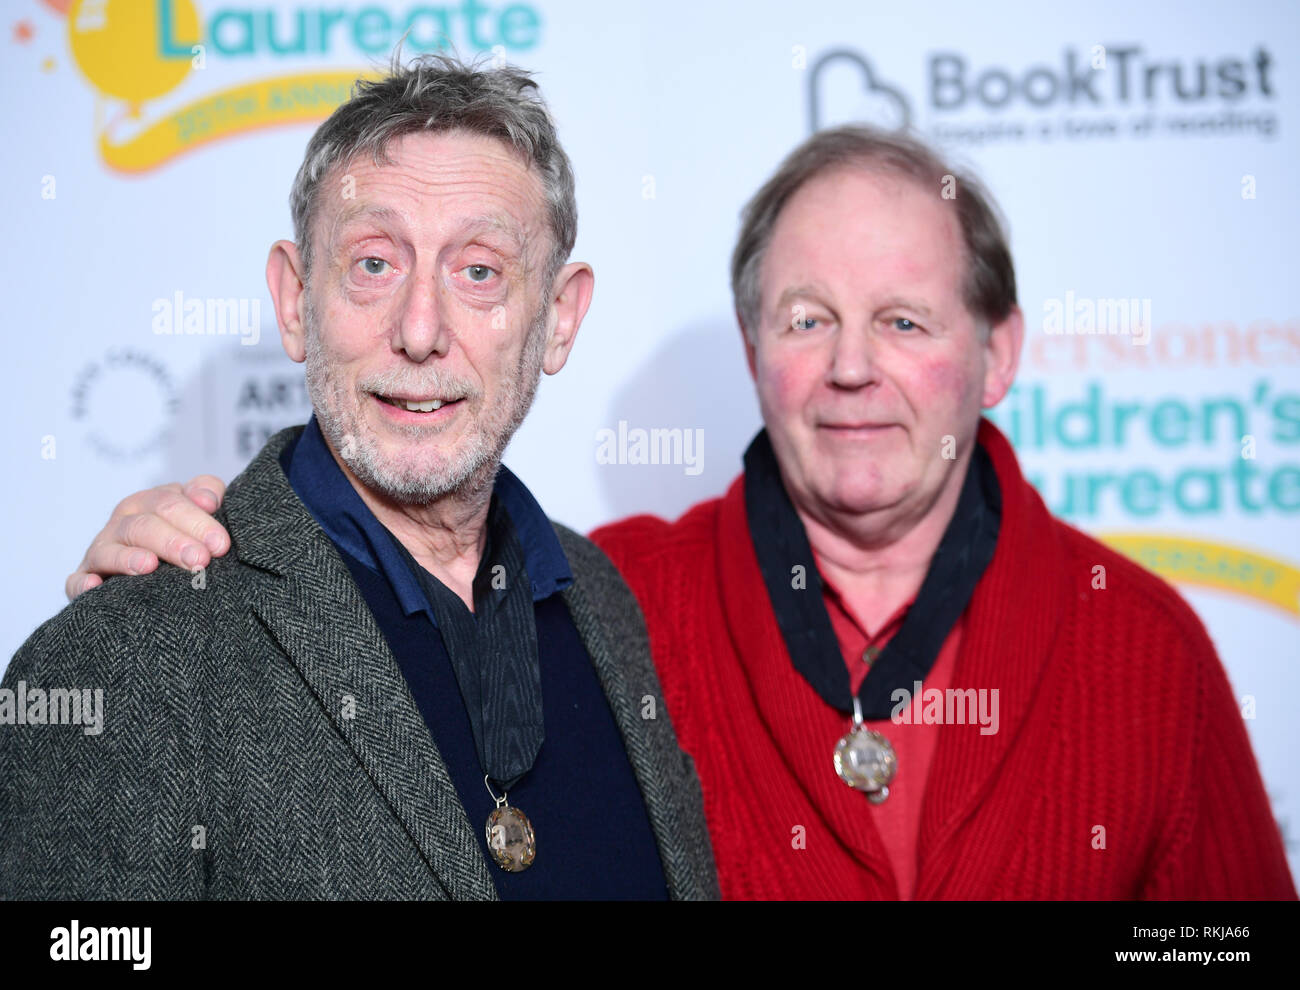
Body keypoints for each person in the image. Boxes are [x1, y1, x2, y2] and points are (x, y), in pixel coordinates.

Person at [63, 125, 1297, 900]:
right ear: (755, 348)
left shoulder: (1143, 643)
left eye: (905, 322)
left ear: (999, 354)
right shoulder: (612, 600)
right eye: (807, 319)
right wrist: (200, 558)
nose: (852, 369)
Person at [0, 53, 718, 901]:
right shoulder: (121, 657)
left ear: (558, 320)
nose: (420, 331)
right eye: (375, 264)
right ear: (295, 298)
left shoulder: (598, 599)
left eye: (479, 270)